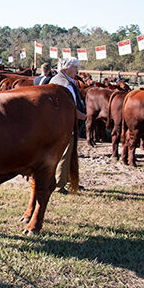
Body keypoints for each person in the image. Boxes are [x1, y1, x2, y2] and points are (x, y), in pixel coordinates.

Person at [50, 57, 86, 194]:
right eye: (75, 67)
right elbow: (69, 108)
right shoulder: (64, 84)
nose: (77, 70)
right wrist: (83, 116)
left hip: (60, 123)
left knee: (69, 153)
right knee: (66, 153)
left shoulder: (57, 80)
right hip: (66, 123)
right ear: (66, 68)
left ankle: (70, 180)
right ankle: (59, 184)